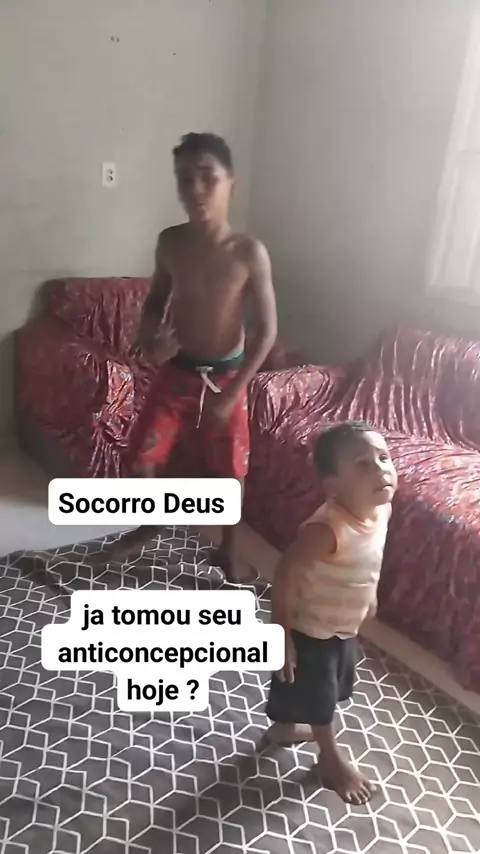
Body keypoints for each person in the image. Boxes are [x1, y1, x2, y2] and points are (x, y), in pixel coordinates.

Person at [104, 132, 277, 582]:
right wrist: (151, 340)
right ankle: (153, 520)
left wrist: (233, 394)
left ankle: (229, 550)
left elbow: (267, 331)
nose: (195, 189)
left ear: (231, 185)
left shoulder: (249, 253)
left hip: (227, 379)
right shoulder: (170, 243)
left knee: (231, 472)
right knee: (141, 457)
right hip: (178, 372)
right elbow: (153, 305)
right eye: (184, 179)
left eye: (207, 178)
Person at [264, 421, 398, 805]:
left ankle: (284, 728)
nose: (380, 469)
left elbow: (371, 559)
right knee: (319, 697)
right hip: (311, 627)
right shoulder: (327, 529)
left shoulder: (381, 509)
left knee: (312, 684)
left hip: (343, 623)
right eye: (362, 464)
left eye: (383, 457)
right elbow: (286, 572)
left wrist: (370, 593)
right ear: (333, 487)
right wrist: (282, 635)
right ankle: (330, 759)